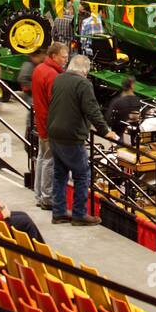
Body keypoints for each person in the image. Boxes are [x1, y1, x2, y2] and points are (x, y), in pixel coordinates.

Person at [47, 54, 116, 226]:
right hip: (72, 136)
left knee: (59, 174)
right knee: (82, 175)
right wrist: (105, 130)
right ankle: (79, 214)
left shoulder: (59, 79)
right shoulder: (83, 84)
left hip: (54, 132)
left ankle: (59, 212)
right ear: (85, 70)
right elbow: (92, 109)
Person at [31, 43, 68, 211]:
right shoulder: (52, 75)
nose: (66, 60)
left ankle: (39, 194)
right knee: (49, 161)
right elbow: (56, 102)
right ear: (54, 56)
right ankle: (47, 197)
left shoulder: (39, 68)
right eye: (63, 57)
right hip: (50, 124)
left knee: (42, 157)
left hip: (41, 121)